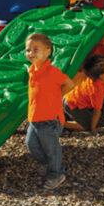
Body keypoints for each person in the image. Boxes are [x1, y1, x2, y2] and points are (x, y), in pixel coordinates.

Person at [26, 32, 75, 190]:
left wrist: (57, 96)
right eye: (28, 50)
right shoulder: (32, 70)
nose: (31, 53)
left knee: (52, 149)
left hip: (49, 120)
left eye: (36, 49)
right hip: (34, 118)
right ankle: (49, 165)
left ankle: (56, 174)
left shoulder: (52, 71)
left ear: (48, 51)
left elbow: (69, 84)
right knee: (31, 144)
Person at [62, 54, 104, 132]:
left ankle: (64, 116)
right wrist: (93, 128)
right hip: (72, 104)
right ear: (100, 73)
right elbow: (97, 112)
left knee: (89, 120)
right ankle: (60, 123)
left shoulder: (102, 78)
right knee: (86, 127)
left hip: (70, 98)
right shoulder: (96, 91)